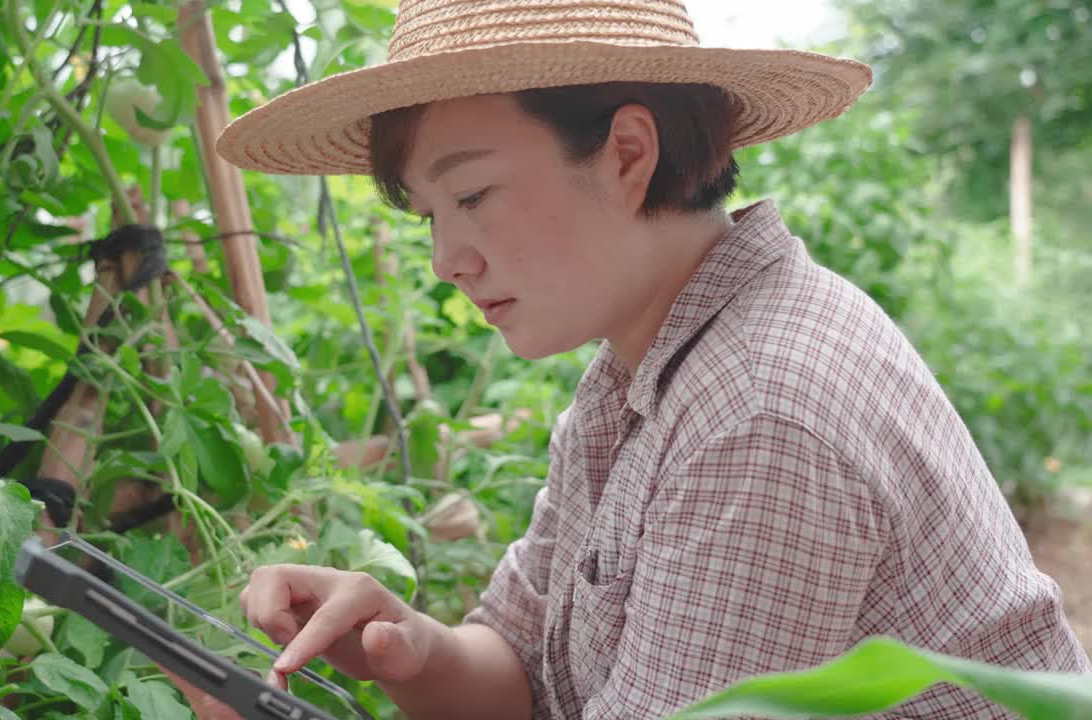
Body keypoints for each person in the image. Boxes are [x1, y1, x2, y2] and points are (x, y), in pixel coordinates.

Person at [177, 0, 1092, 718]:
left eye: (474, 194)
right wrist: (407, 645)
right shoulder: (643, 366)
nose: (446, 258)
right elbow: (522, 667)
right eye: (429, 216)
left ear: (627, 153)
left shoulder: (760, 412)